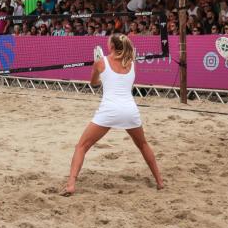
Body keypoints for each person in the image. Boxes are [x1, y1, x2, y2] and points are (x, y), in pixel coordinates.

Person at [61, 34, 163, 195]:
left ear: (112, 47)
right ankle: (159, 182)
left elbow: (93, 83)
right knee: (143, 145)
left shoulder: (101, 62)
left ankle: (71, 184)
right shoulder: (131, 63)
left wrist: (98, 68)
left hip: (109, 110)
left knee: (81, 146)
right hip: (130, 110)